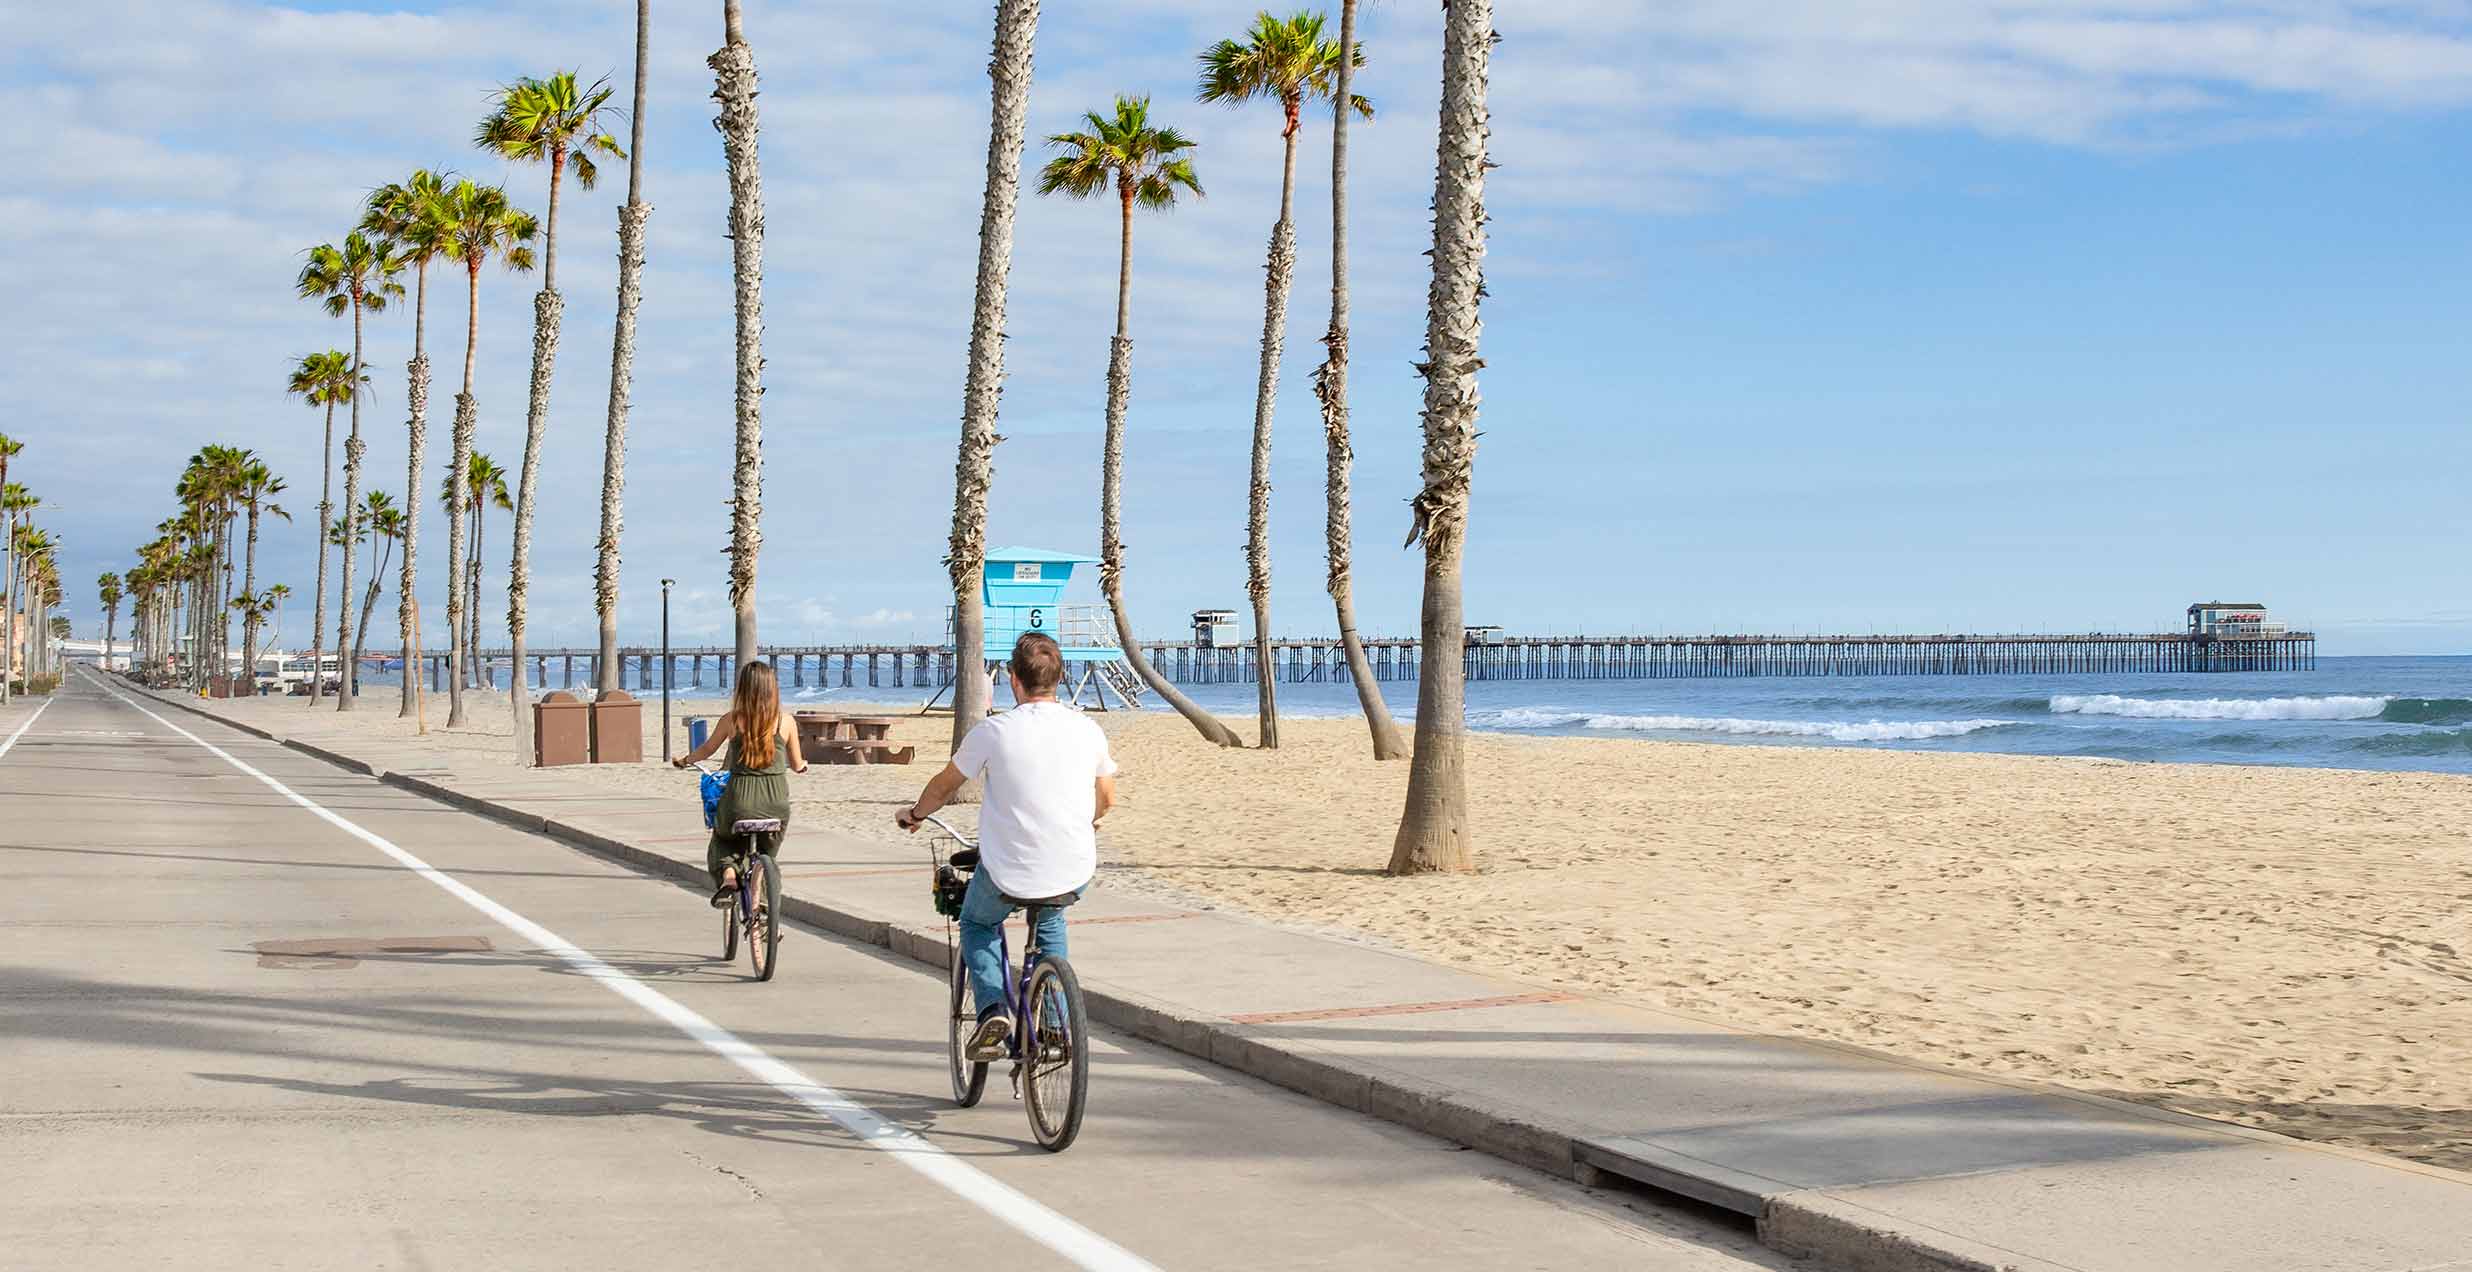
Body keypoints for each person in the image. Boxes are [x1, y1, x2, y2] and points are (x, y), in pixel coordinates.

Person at [899, 632, 1117, 1059]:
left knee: (977, 922)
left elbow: (945, 786)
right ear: (1059, 678)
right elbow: (1107, 798)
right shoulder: (1088, 729)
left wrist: (916, 815)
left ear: (1014, 680)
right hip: (1073, 867)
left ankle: (993, 1010)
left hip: (1007, 872)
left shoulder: (994, 731)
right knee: (1050, 921)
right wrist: (1086, 821)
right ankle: (1054, 1029)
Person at [674, 660, 807, 907]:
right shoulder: (786, 722)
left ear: (742, 689)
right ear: (773, 689)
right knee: (767, 854)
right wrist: (803, 766)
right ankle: (766, 905)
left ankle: (728, 875)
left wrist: (684, 760)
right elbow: (798, 764)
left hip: (738, 801)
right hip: (775, 802)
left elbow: (706, 749)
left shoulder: (732, 720)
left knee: (722, 839)